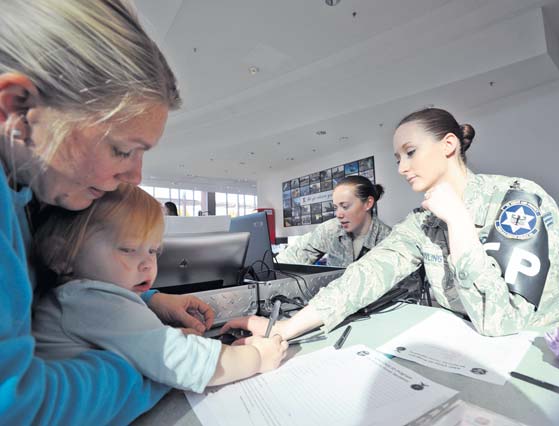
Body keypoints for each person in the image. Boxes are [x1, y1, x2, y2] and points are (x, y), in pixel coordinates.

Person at [1, 1, 215, 423]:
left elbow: (52, 286)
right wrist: (161, 365)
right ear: (18, 110)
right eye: (122, 148)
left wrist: (150, 303)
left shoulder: (31, 190)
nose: (135, 176)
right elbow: (18, 407)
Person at [224, 107, 559, 339]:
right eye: (397, 158)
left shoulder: (520, 201)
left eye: (410, 152)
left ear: (449, 145)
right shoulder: (421, 222)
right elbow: (368, 273)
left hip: (538, 351)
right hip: (467, 349)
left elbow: (504, 322)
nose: (401, 167)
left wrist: (458, 221)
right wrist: (285, 328)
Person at [32, 184, 288, 392]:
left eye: (154, 250)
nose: (147, 264)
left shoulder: (72, 296)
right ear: (61, 255)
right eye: (128, 249)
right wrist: (256, 357)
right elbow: (184, 362)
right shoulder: (94, 298)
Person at [276, 175, 391, 267]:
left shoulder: (389, 240)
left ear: (368, 203)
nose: (338, 214)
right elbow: (296, 254)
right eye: (336, 207)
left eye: (345, 206)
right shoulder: (331, 229)